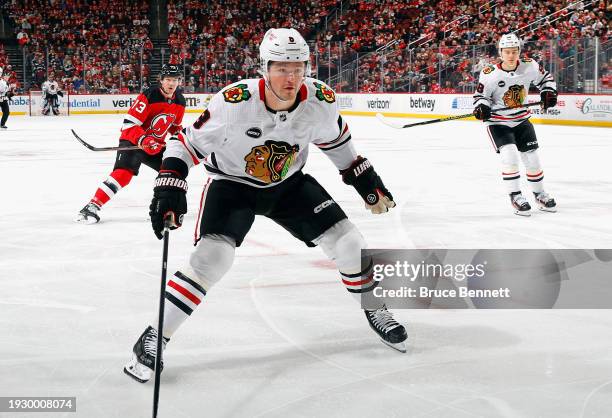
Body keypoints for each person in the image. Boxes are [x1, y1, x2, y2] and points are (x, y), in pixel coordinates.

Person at [124, 28, 408, 383]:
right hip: (232, 186)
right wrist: (170, 185)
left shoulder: (320, 99)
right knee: (212, 259)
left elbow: (339, 145)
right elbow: (186, 145)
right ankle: (153, 337)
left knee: (350, 243)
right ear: (264, 68)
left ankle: (373, 307)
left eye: (298, 67)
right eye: (281, 68)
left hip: (288, 185)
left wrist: (368, 183)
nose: (290, 77)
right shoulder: (234, 101)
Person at [75, 64, 186, 224]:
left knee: (173, 171)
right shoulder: (148, 96)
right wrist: (144, 140)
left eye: (175, 80)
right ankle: (92, 206)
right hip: (134, 140)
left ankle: (160, 208)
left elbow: (175, 126)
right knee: (123, 174)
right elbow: (129, 124)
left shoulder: (180, 101)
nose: (172, 83)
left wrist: (181, 139)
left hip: (155, 146)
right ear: (161, 80)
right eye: (168, 79)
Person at [473, 33, 558, 216]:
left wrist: (548, 92)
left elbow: (547, 79)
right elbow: (481, 97)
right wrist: (482, 107)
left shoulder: (530, 65)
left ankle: (539, 194)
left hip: (521, 119)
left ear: (519, 51)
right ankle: (515, 195)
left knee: (533, 158)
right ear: (500, 53)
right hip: (498, 122)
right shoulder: (490, 74)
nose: (511, 55)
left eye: (514, 51)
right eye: (507, 52)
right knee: (510, 155)